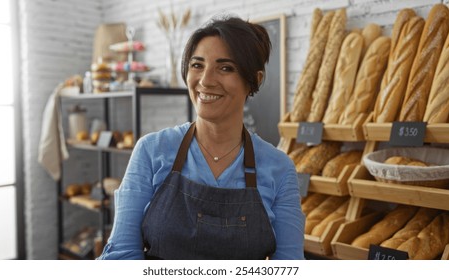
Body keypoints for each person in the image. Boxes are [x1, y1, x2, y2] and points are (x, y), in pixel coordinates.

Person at [97, 15, 305, 260]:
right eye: (197, 65)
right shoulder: (151, 151)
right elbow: (122, 254)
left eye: (225, 68)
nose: (205, 81)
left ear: (254, 80)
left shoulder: (279, 168)